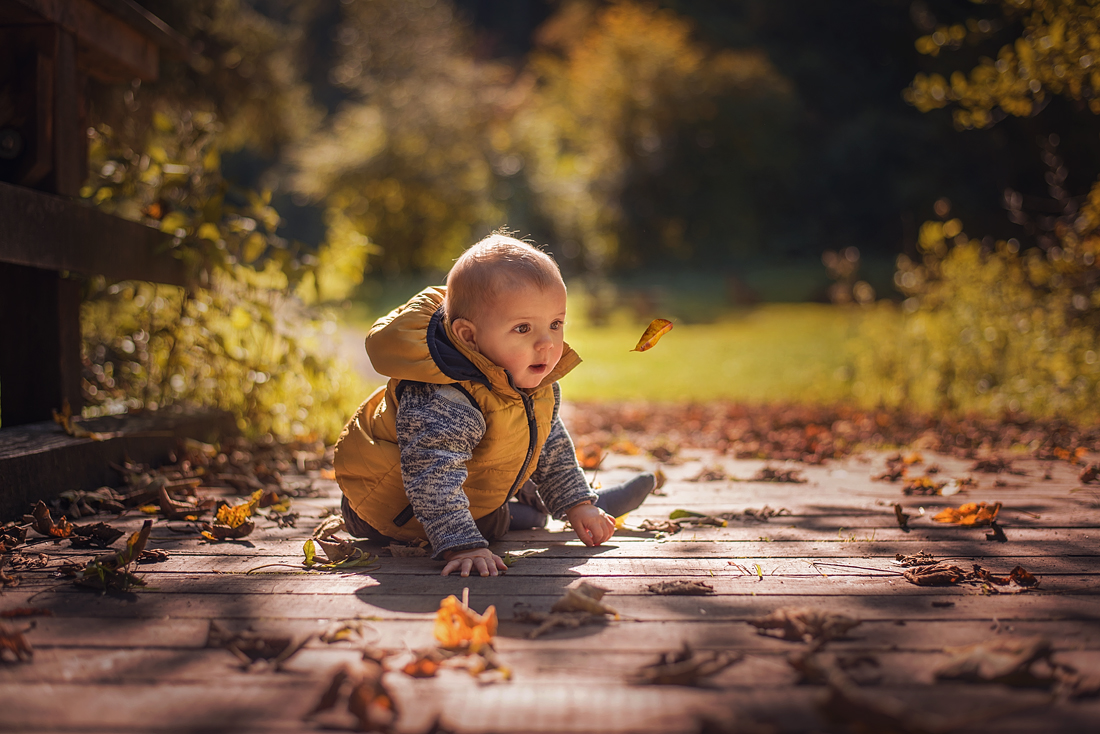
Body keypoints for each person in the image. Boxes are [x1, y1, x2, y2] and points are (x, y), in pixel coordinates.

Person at [334, 232, 654, 577]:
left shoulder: (524, 377)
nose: (546, 343)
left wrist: (577, 503)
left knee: (523, 445)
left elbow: (547, 441)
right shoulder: (446, 396)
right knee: (483, 513)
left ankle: (578, 504)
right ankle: (517, 513)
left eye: (555, 324)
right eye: (523, 328)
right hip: (391, 513)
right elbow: (431, 476)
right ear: (468, 336)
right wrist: (463, 544)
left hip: (470, 498)